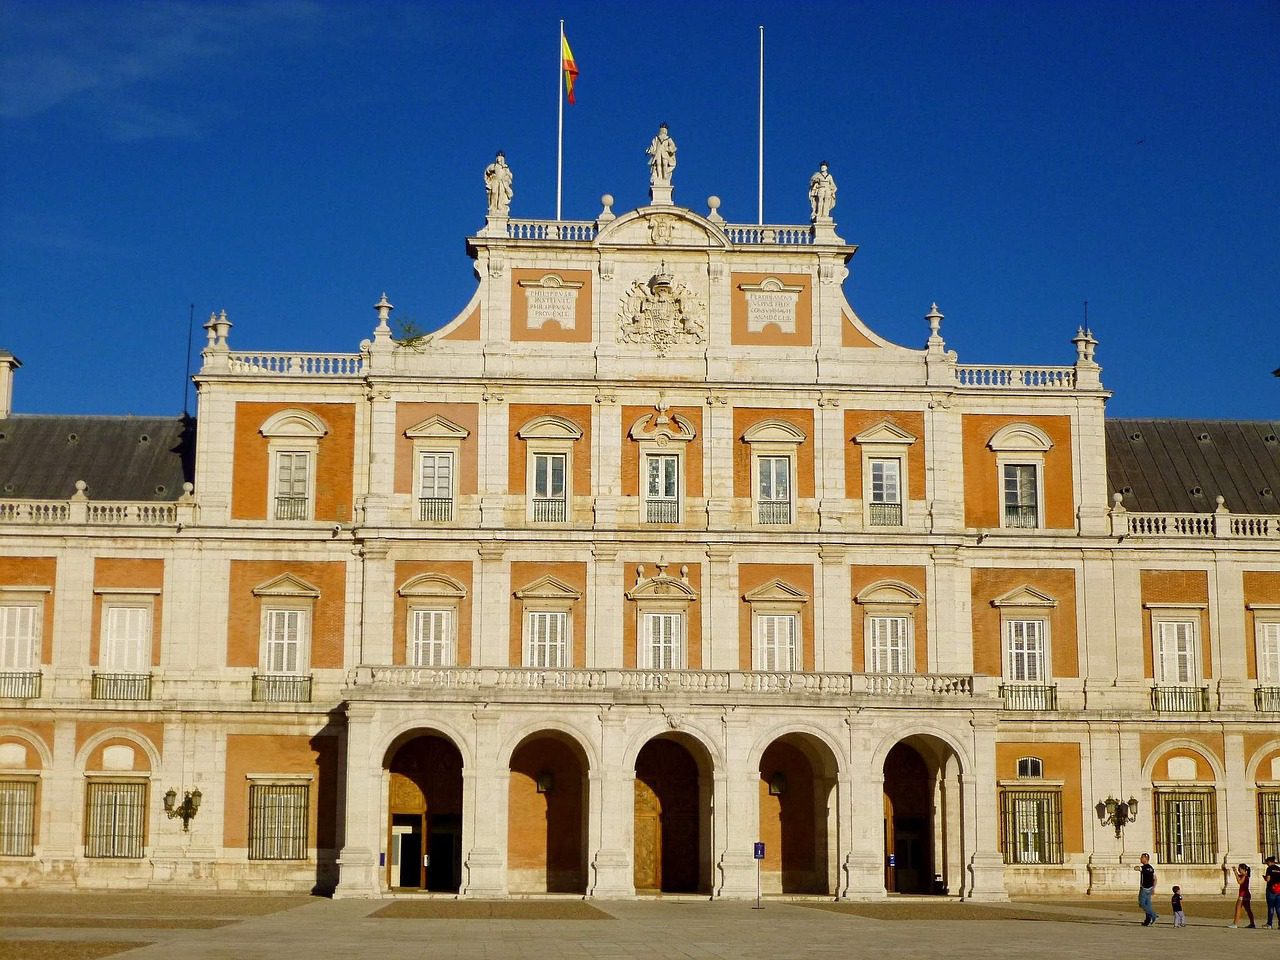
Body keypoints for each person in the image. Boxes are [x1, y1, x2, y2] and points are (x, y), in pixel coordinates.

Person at [484, 151, 513, 216]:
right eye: (498, 158)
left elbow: (510, 175)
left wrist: (506, 177)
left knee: (501, 194)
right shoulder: (493, 166)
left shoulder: (505, 167)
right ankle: (493, 207)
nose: (499, 159)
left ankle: (500, 207)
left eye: (501, 158)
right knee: (494, 192)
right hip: (495, 181)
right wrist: (491, 172)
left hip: (502, 183)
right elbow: (487, 171)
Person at [1230, 862, 1256, 928]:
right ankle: (1252, 923)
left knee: (1238, 909)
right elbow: (1239, 877)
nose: (1239, 870)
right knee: (1248, 910)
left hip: (1243, 894)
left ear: (1243, 869)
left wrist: (1236, 874)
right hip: (1246, 894)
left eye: (1239, 869)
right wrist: (1235, 871)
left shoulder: (1244, 876)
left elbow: (1239, 882)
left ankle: (1235, 924)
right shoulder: (1245, 875)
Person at [1135, 853, 1159, 925]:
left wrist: (1137, 868)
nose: (1140, 859)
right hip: (1150, 888)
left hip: (1144, 888)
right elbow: (1155, 879)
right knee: (1148, 905)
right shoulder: (1151, 868)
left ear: (1146, 859)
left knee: (1142, 904)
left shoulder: (1144, 868)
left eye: (1142, 858)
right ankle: (1147, 921)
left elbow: (1136, 868)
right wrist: (1153, 888)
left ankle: (1154, 915)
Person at [1264, 855, 1280, 928]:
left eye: (1267, 862)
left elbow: (1268, 879)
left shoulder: (1269, 868)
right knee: (1278, 908)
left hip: (1271, 890)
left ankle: (1269, 924)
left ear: (1269, 862)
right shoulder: (1279, 868)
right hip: (1279, 890)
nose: (1267, 864)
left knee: (1271, 908)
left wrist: (1265, 878)